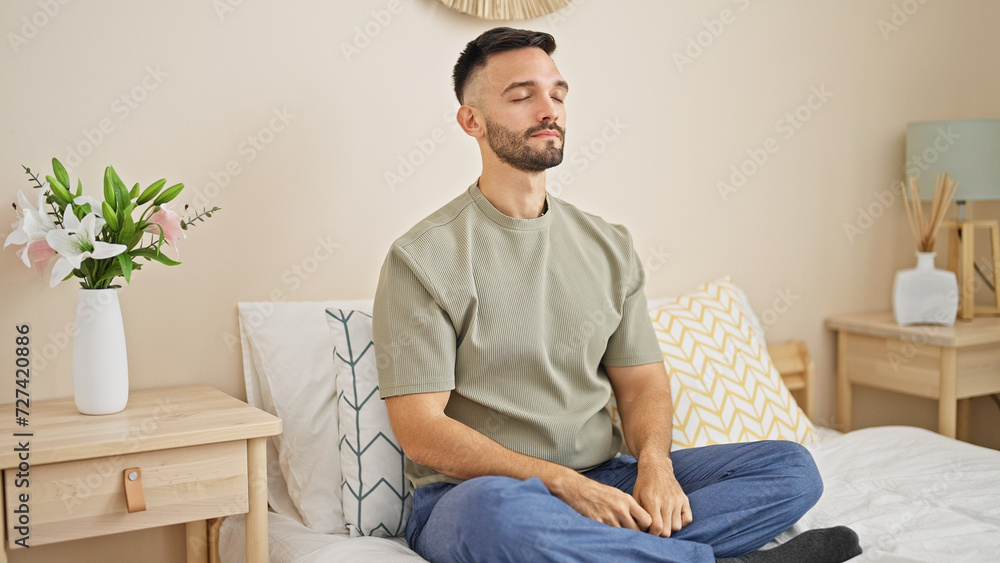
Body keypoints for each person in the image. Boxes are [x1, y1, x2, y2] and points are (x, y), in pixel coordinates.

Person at [372, 27, 862, 563]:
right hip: (481, 494)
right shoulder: (422, 257)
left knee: (791, 468)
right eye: (521, 96)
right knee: (497, 520)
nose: (548, 109)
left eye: (557, 93)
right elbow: (421, 432)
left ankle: (608, 552)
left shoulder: (609, 245)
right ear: (472, 121)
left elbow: (643, 382)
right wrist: (559, 483)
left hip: (608, 480)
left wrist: (655, 465)